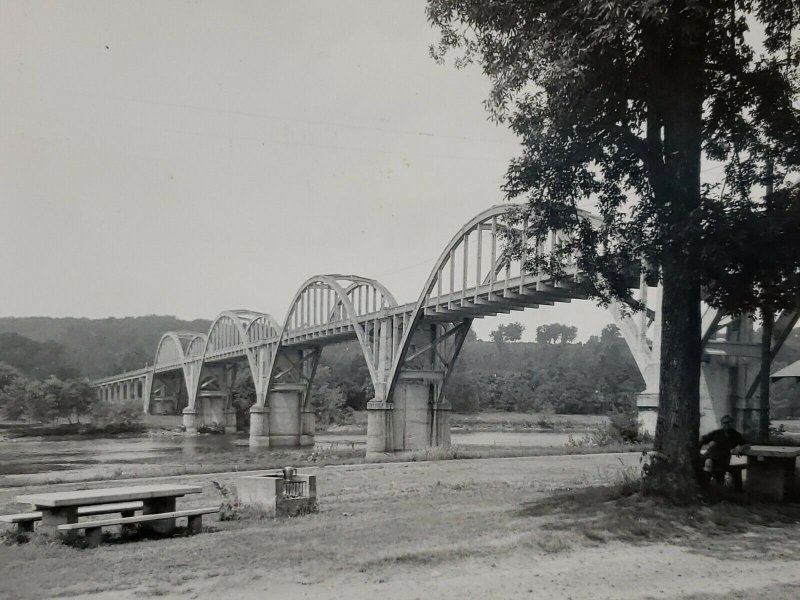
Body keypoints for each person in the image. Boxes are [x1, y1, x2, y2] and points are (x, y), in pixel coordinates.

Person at [699, 415, 748, 486]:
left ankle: (736, 491)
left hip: (724, 459)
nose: (727, 425)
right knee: (708, 463)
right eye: (724, 423)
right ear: (722, 424)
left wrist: (741, 447)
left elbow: (746, 443)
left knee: (731, 471)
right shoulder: (717, 433)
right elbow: (703, 440)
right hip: (712, 455)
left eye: (729, 422)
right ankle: (706, 486)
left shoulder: (736, 435)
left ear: (732, 423)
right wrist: (698, 451)